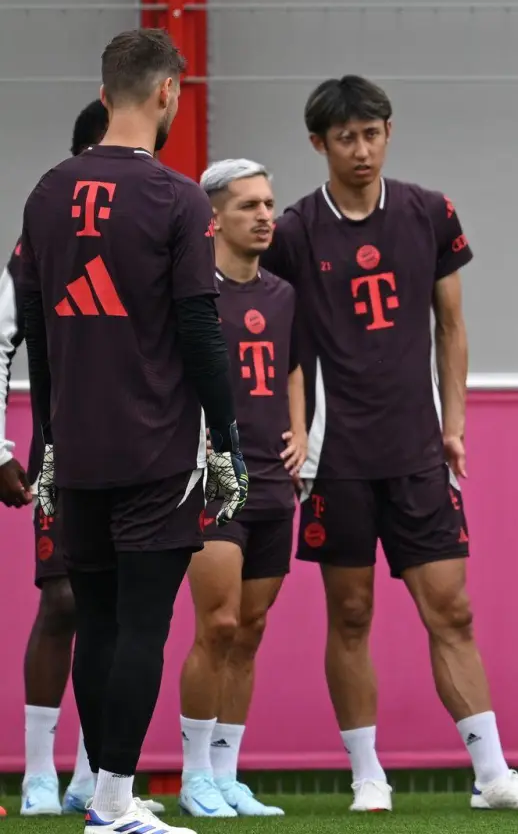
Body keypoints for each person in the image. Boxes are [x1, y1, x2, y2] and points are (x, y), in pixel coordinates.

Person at [262, 75, 518, 813]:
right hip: (336, 456)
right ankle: (368, 775)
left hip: (418, 450)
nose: (360, 150)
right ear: (318, 144)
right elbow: (284, 344)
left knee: (450, 611)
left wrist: (453, 425)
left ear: (389, 132)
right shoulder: (296, 230)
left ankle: (493, 775)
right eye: (344, 138)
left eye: (372, 134)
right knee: (352, 613)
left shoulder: (430, 212)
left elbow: (450, 328)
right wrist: (296, 429)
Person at [14, 27, 249, 834]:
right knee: (142, 629)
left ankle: (99, 796)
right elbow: (199, 327)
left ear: (104, 88)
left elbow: (39, 335)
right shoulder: (176, 197)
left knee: (100, 621)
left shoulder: (45, 192)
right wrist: (227, 435)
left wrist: (47, 437)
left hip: (77, 448)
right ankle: (113, 801)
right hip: (155, 448)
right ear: (167, 94)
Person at [8, 98, 160, 820]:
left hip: (142, 452)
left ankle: (95, 780)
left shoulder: (157, 227)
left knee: (128, 610)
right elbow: (8, 335)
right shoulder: (42, 230)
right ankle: (40, 767)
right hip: (65, 454)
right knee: (67, 600)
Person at [175, 159, 307, 818]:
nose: (264, 217)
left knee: (250, 630)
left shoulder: (283, 294)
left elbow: (292, 368)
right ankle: (193, 774)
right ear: (214, 218)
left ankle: (226, 772)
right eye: (249, 205)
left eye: (269, 204)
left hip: (273, 481)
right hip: (213, 486)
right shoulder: (191, 294)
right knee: (218, 624)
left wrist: (302, 433)